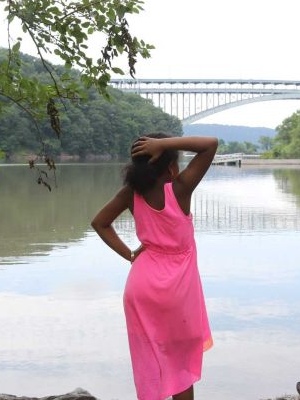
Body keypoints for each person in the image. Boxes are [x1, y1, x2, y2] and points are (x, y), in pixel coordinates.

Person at [91, 134, 217, 400]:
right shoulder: (179, 190)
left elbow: (100, 223)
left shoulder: (131, 193)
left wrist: (129, 254)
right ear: (171, 167)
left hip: (141, 285)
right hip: (176, 288)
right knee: (180, 364)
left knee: (150, 359)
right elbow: (210, 145)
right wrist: (165, 144)